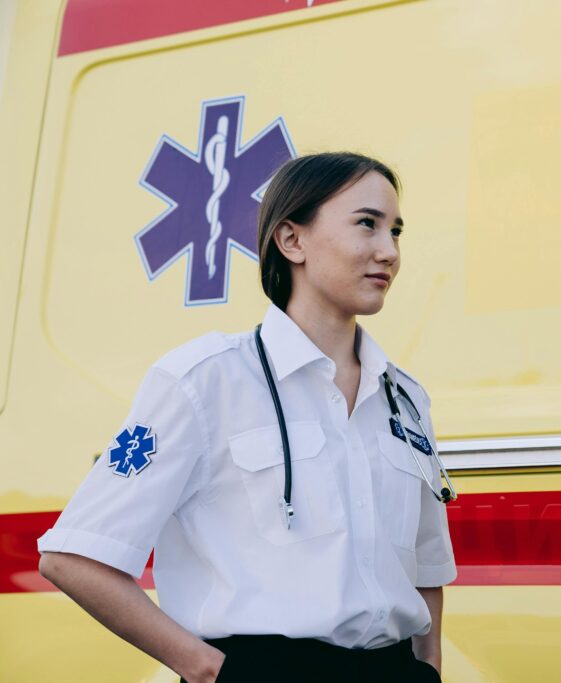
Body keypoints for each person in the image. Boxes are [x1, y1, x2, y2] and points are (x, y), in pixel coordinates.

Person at [38, 152, 456, 683]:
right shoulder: (204, 381)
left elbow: (425, 573)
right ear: (292, 240)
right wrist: (208, 668)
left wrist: (430, 671)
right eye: (367, 224)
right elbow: (74, 557)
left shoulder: (406, 399)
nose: (389, 251)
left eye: (396, 231)